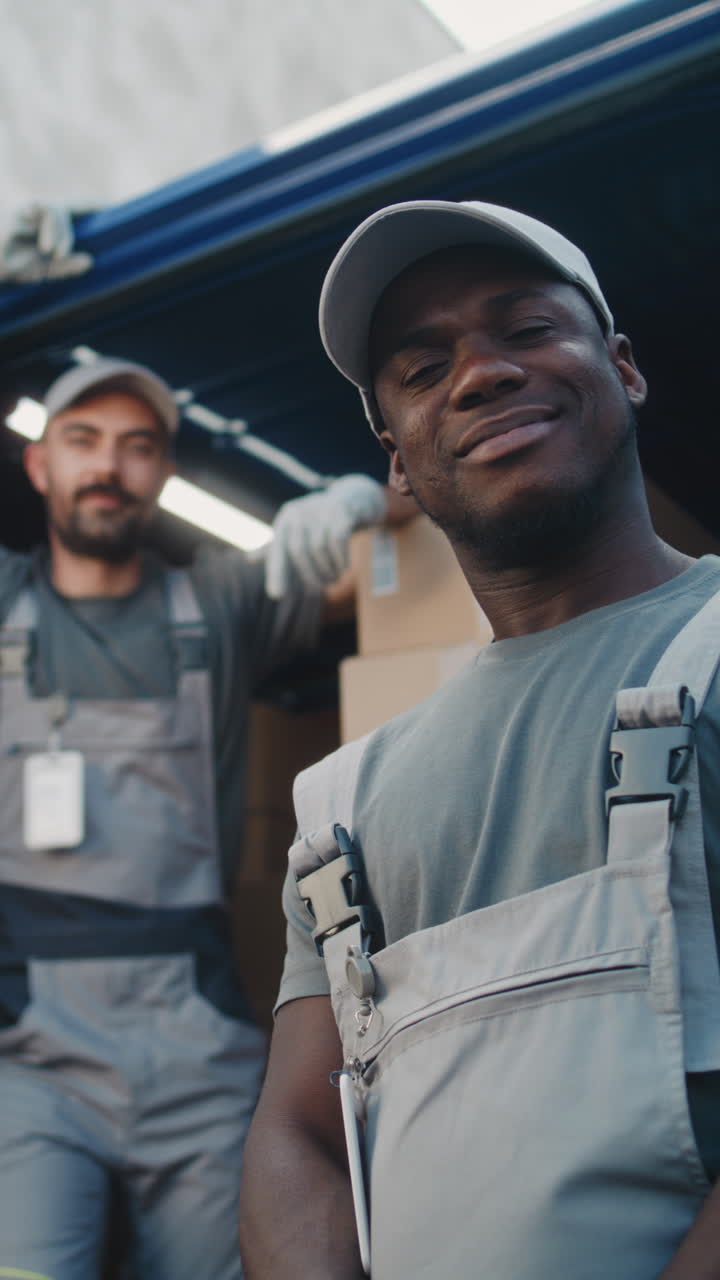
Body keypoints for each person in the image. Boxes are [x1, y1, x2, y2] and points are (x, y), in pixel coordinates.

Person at [238, 199, 720, 1280]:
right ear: (399, 467)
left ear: (625, 368)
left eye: (528, 328)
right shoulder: (339, 808)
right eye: (420, 369)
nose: (480, 373)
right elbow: (298, 1136)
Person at [0, 355, 403, 1280]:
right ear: (38, 465)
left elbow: (431, 509)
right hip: (25, 1058)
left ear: (164, 474)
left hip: (199, 1046)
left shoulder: (218, 604)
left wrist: (356, 501)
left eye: (140, 447)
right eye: (84, 442)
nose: (110, 466)